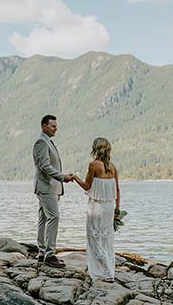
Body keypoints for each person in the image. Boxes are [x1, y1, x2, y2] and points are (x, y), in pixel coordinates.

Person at [73, 137, 121, 282]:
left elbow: (87, 186)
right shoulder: (112, 167)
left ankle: (106, 272)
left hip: (96, 207)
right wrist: (117, 210)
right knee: (106, 239)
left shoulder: (93, 165)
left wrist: (75, 177)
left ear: (96, 148)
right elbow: (117, 189)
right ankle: (108, 270)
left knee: (94, 238)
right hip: (109, 207)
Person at [33, 115, 74, 268]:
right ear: (44, 126)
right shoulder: (41, 142)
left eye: (56, 126)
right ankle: (49, 254)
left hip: (49, 188)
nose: (56, 128)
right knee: (54, 217)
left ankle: (42, 252)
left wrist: (57, 189)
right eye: (53, 126)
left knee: (44, 218)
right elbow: (44, 166)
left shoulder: (47, 141)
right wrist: (63, 178)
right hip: (45, 187)